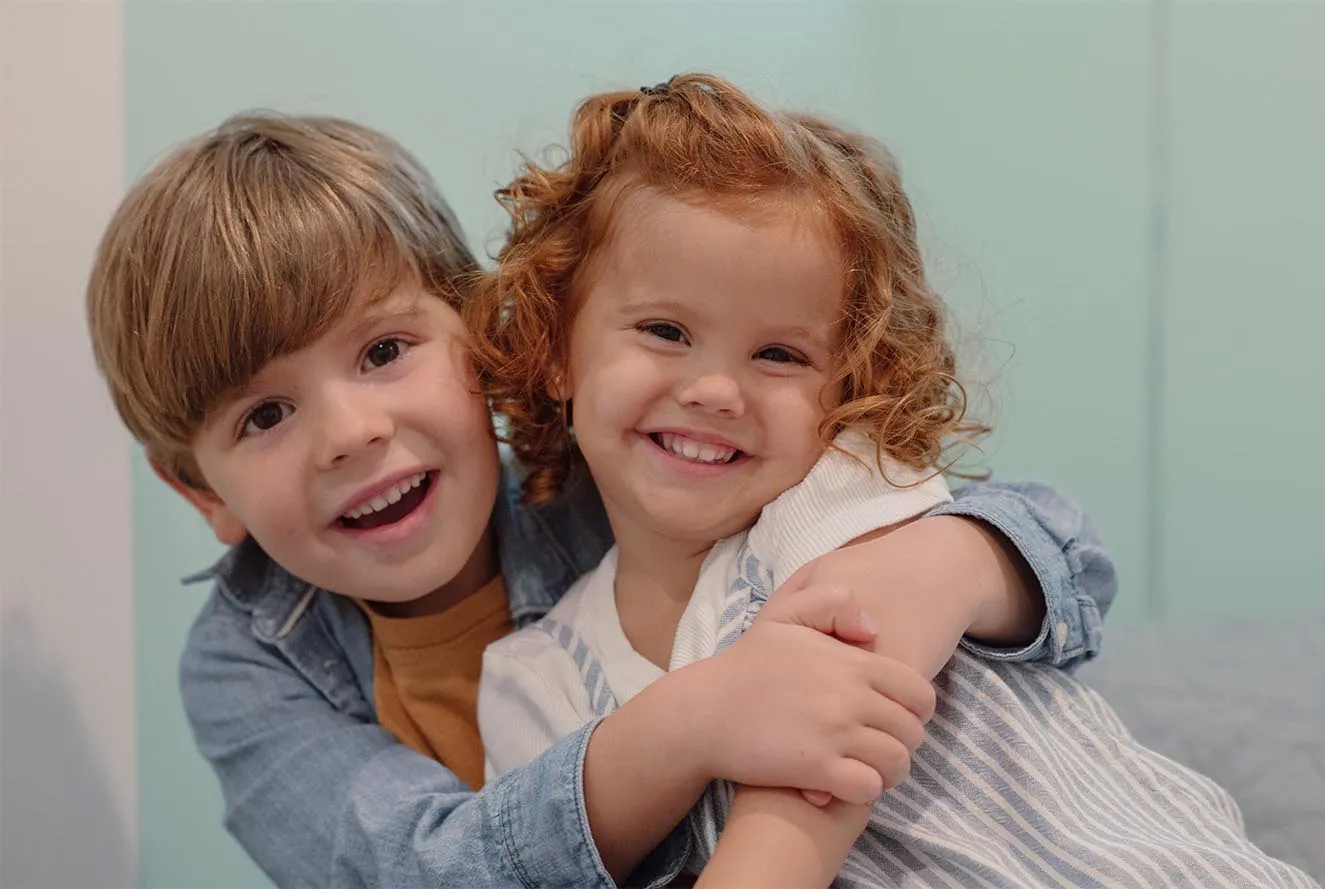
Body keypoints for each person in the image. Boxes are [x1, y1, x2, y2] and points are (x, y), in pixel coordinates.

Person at [86, 111, 1116, 888]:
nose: (350, 431)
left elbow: (1049, 544)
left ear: (488, 336)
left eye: (386, 351)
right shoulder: (244, 667)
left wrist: (938, 564)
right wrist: (694, 721)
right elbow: (413, 868)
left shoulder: (626, 466)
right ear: (198, 490)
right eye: (263, 417)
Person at [473, 73, 1318, 888]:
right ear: (555, 348)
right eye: (664, 330)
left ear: (847, 386)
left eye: (780, 354)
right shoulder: (535, 678)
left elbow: (830, 737)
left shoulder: (839, 496)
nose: (716, 390)